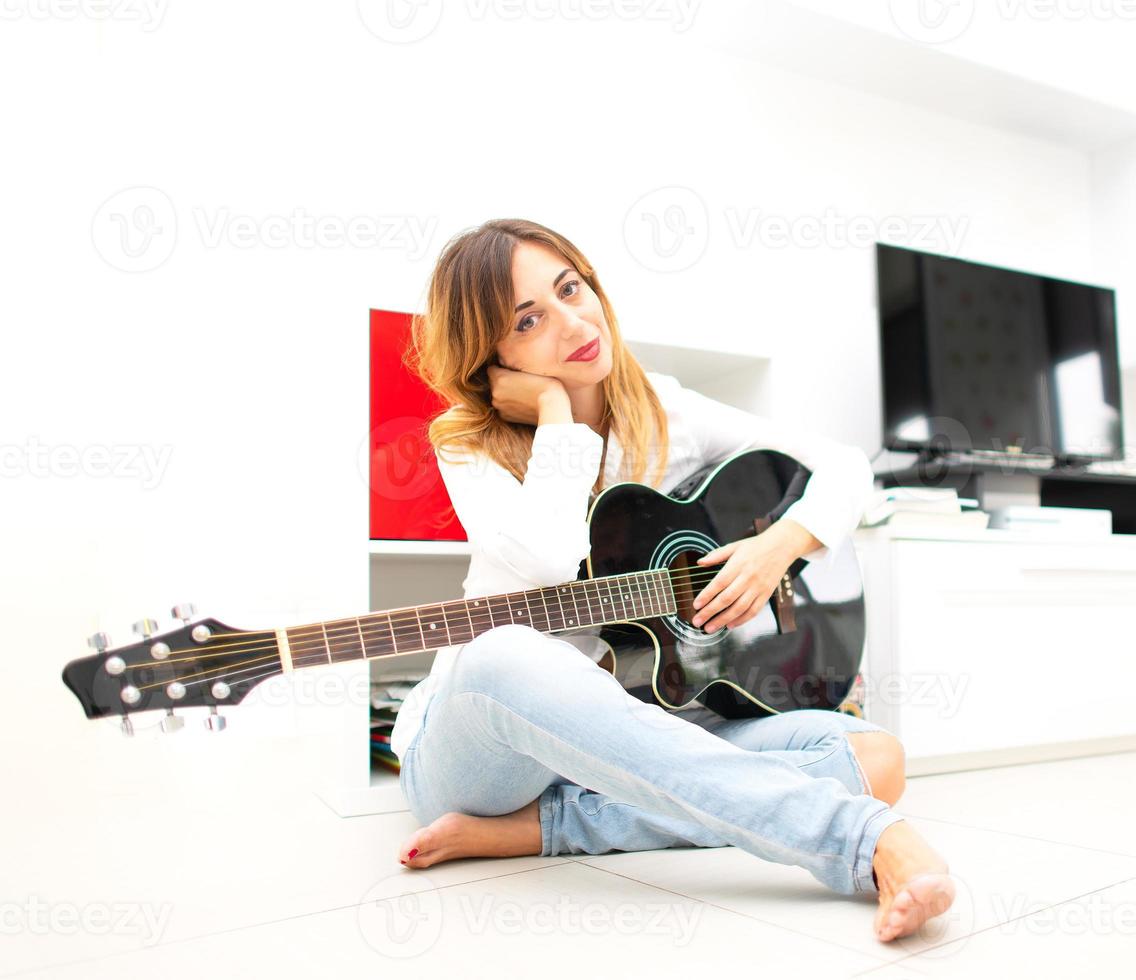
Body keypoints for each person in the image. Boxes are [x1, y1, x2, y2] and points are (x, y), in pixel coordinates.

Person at [387, 218, 954, 942]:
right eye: (529, 320)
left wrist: (779, 546)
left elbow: (844, 464)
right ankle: (860, 838)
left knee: (876, 755)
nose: (572, 322)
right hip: (488, 756)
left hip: (635, 728)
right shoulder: (466, 444)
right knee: (503, 650)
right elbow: (551, 563)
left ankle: (548, 830)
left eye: (571, 288)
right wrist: (558, 417)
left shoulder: (664, 408)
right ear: (492, 356)